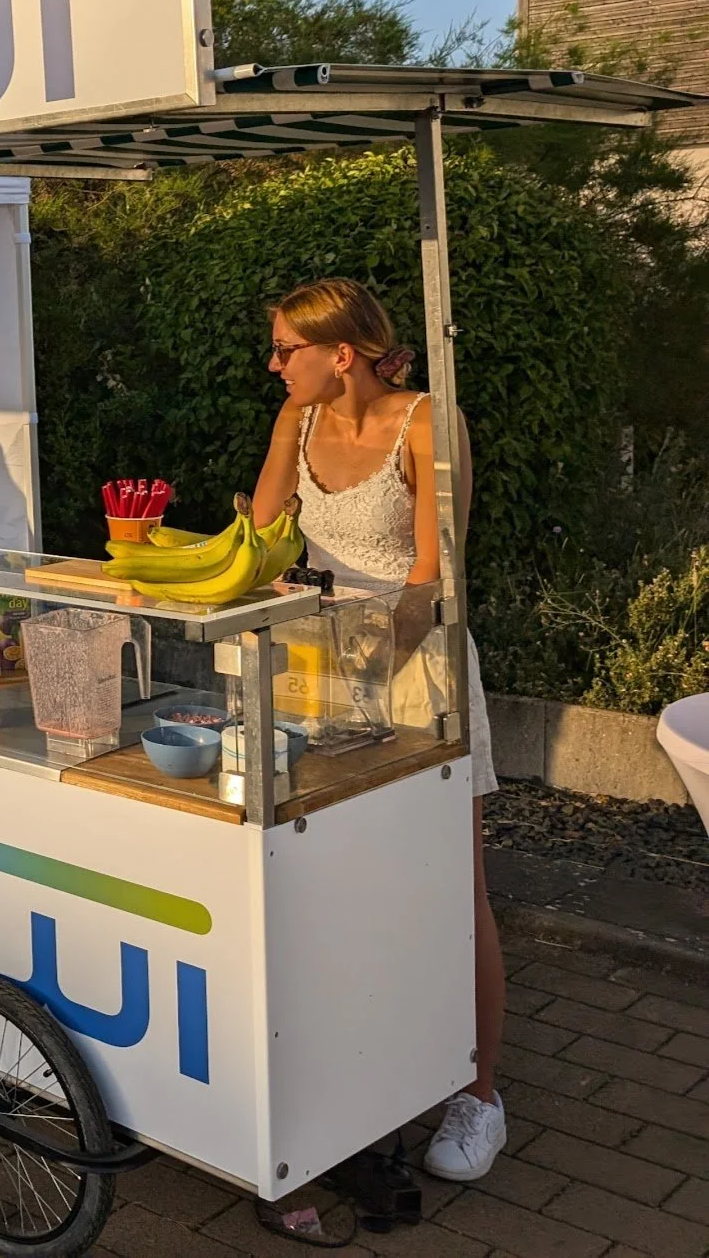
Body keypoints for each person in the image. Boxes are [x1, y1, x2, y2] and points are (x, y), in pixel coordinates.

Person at [252, 278, 506, 1183]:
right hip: (323, 675)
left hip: (417, 670)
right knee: (346, 883)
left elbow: (435, 575)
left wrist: (369, 665)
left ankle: (478, 1095)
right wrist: (285, 433)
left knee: (451, 886)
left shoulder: (429, 422)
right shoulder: (301, 421)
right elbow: (262, 535)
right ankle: (372, 1077)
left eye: (287, 350)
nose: (273, 363)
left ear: (341, 354)